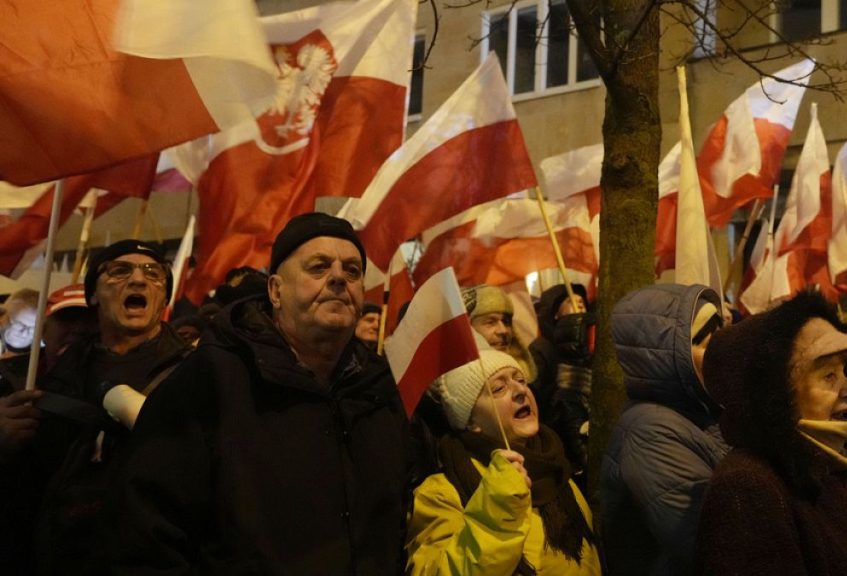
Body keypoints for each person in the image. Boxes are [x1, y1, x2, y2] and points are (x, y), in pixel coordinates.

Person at [106, 212, 408, 574]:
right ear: (275, 291)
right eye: (318, 267)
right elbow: (148, 529)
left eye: (353, 271)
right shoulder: (212, 377)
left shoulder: (378, 389)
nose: (339, 278)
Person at [0, 242, 191, 575]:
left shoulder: (198, 372)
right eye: (119, 271)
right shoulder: (50, 378)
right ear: (93, 296)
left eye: (153, 273)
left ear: (164, 297)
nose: (138, 280)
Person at [696, 291, 847, 576]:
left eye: (843, 371)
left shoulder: (827, 463)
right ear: (777, 394)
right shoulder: (748, 487)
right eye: (828, 375)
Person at [407, 348, 601, 575]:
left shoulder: (558, 469)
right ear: (470, 422)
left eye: (521, 380)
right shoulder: (440, 493)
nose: (520, 390)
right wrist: (495, 509)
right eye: (499, 388)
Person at [601, 284, 727, 576]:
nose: (721, 353)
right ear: (667, 356)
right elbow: (713, 543)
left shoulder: (702, 410)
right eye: (707, 343)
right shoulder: (650, 432)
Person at [528, 283, 594, 484]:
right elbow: (539, 395)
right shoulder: (542, 348)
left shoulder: (590, 342)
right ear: (555, 314)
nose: (579, 303)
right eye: (570, 301)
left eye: (582, 301)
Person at [461, 284, 536, 382]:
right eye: (490, 322)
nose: (503, 330)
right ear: (468, 328)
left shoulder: (525, 377)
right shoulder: (457, 387)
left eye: (506, 321)